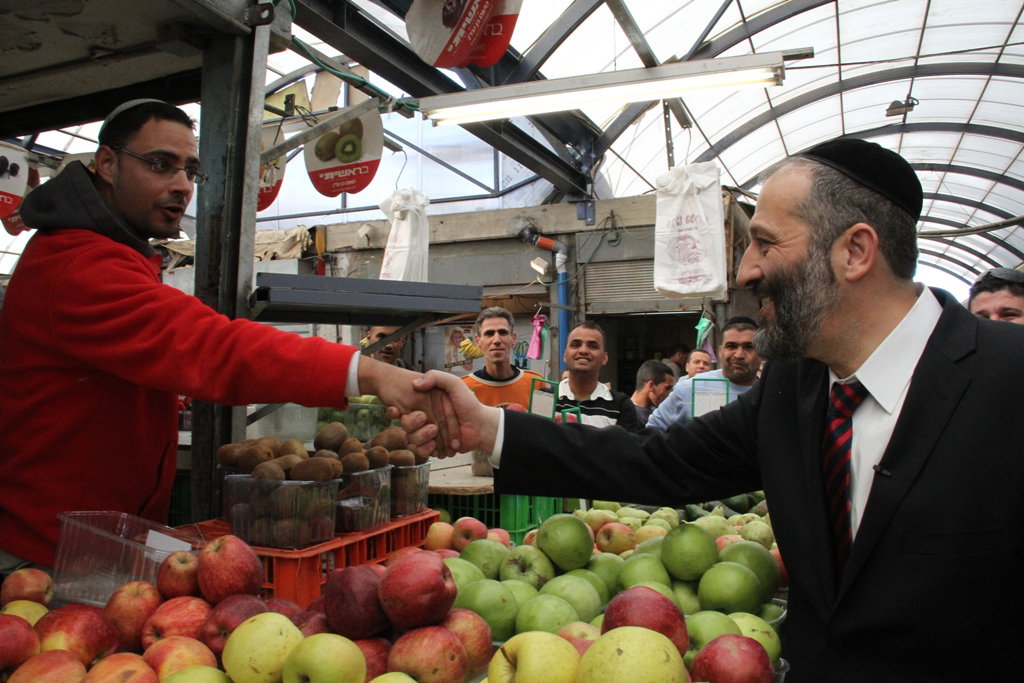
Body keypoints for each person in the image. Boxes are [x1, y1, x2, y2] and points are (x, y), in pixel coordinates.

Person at [397, 137, 1024, 680]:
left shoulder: (1007, 380)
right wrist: (490, 428)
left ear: (855, 252)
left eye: (765, 244)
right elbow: (654, 460)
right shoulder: (794, 390)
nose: (746, 271)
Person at [0, 99, 454, 572]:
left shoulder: (116, 257)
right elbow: (214, 347)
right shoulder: (76, 267)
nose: (180, 185)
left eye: (190, 171)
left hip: (94, 543)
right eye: (160, 165)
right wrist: (373, 374)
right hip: (44, 557)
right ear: (107, 163)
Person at [646, 317, 761, 431]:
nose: (739, 355)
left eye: (748, 347)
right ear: (720, 351)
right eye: (731, 346)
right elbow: (654, 430)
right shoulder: (690, 388)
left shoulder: (770, 392)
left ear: (760, 353)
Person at [556, 321, 641, 430]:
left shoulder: (621, 406)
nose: (583, 350)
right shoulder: (543, 398)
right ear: (565, 355)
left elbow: (624, 446)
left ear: (604, 358)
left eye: (592, 346)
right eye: (576, 345)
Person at [460, 307, 543, 408]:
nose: (496, 340)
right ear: (478, 341)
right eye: (489, 334)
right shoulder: (464, 388)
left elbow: (544, 423)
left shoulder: (536, 384)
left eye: (503, 332)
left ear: (513, 339)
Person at [628, 359, 674, 424]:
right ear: (651, 386)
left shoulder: (658, 413)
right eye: (667, 388)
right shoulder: (627, 417)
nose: (669, 394)